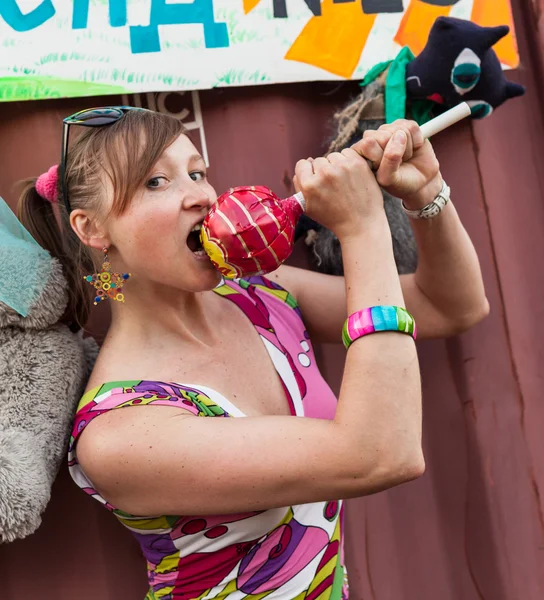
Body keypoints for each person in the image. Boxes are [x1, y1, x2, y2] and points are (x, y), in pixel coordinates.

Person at [18, 107, 488, 600]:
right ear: (92, 229)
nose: (201, 194)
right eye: (157, 182)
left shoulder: (260, 296)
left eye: (197, 173)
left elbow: (450, 306)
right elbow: (382, 456)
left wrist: (427, 193)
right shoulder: (120, 432)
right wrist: (362, 227)